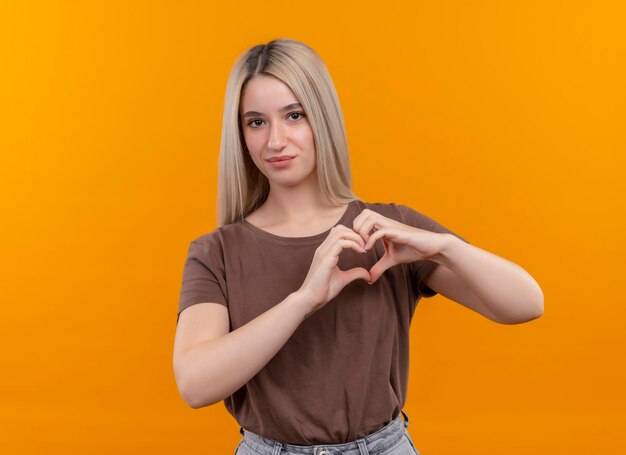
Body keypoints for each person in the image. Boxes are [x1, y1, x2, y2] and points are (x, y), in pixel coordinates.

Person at [172, 38, 544, 455]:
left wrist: (442, 247)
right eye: (256, 122)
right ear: (239, 134)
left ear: (323, 119)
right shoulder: (216, 252)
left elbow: (526, 304)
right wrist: (303, 300)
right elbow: (195, 384)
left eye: (294, 116)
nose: (275, 140)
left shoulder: (388, 230)